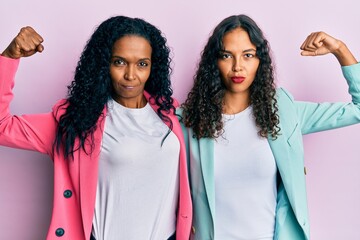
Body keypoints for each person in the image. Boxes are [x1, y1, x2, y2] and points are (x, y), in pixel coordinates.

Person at [0, 16, 192, 240]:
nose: (131, 75)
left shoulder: (169, 114)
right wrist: (9, 57)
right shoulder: (76, 122)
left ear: (152, 66)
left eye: (142, 64)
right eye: (119, 62)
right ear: (104, 64)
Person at [180, 14, 360, 240]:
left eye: (248, 55)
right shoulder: (189, 120)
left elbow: (358, 109)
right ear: (214, 62)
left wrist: (340, 49)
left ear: (260, 61)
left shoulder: (284, 112)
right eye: (227, 55)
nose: (238, 67)